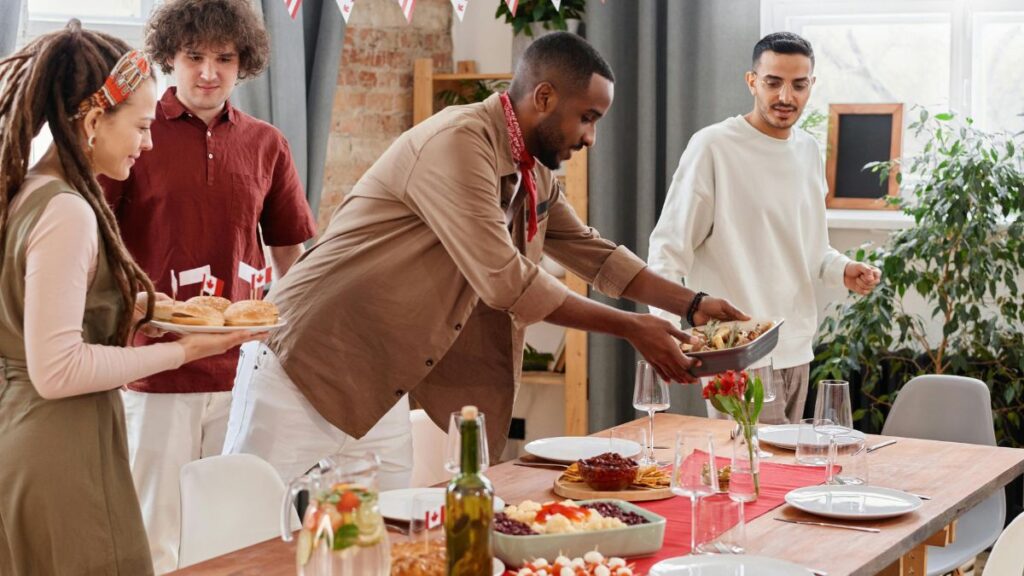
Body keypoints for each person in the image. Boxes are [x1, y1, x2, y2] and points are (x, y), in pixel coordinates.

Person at [222, 32, 747, 488]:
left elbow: (594, 253)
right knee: (246, 537)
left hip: (382, 377)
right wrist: (634, 328)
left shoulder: (530, 169)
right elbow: (507, 282)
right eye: (587, 118)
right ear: (544, 97)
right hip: (303, 362)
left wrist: (693, 303)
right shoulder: (458, 144)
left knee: (383, 543)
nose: (591, 137)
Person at [0, 21, 261, 576]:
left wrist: (153, 310)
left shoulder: (31, 192)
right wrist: (185, 352)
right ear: (94, 122)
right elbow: (58, 368)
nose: (148, 142)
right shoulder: (67, 210)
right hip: (59, 447)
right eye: (141, 127)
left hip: (36, 434)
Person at [98, 0, 316, 571]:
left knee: (233, 528)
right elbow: (98, 243)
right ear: (169, 57)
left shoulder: (268, 143)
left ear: (244, 63)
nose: (208, 72)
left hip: (242, 366)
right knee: (154, 528)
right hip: (153, 365)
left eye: (224, 58)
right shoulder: (133, 133)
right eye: (194, 56)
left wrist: (292, 334)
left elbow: (293, 252)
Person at [648, 32, 881, 424]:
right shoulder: (713, 148)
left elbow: (812, 250)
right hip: (738, 355)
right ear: (752, 81)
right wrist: (668, 338)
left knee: (785, 479)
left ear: (811, 86)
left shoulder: (807, 151)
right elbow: (667, 252)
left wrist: (842, 269)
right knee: (746, 477)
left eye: (798, 84)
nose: (786, 97)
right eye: (773, 82)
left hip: (798, 350)